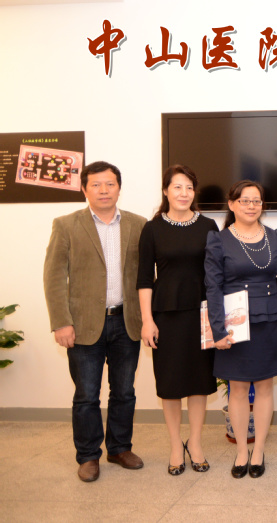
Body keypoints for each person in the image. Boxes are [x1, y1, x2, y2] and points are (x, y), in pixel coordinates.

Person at [43, 161, 147, 482]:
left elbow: (147, 275)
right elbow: (54, 276)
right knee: (87, 395)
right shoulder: (66, 225)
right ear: (84, 189)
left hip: (126, 321)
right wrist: (61, 321)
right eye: (96, 185)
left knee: (124, 391)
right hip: (82, 325)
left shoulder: (138, 224)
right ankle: (88, 456)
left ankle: (119, 448)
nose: (104, 190)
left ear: (119, 187)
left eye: (110, 184)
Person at [137, 165, 219, 476]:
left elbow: (217, 274)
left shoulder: (209, 226)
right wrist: (147, 320)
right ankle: (175, 445)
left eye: (189, 187)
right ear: (166, 191)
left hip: (202, 314)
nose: (184, 193)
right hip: (166, 315)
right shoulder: (152, 228)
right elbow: (144, 279)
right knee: (170, 385)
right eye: (177, 187)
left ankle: (195, 442)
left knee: (199, 383)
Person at [204, 180, 277, 479]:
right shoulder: (219, 240)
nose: (251, 206)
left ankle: (259, 449)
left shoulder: (276, 237)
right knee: (238, 388)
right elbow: (213, 287)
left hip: (268, 319)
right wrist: (218, 330)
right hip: (234, 324)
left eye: (257, 201)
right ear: (232, 204)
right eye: (245, 200)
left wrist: (267, 300)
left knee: (264, 387)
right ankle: (242, 450)